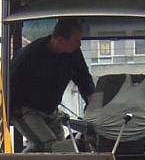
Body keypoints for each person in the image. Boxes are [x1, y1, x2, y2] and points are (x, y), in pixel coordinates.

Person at [10, 18, 95, 152]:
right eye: (76, 41)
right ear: (61, 40)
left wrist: (91, 97)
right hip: (26, 110)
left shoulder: (73, 53)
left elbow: (82, 75)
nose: (79, 45)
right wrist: (9, 114)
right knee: (47, 146)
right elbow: (9, 83)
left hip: (51, 109)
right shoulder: (29, 56)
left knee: (63, 150)